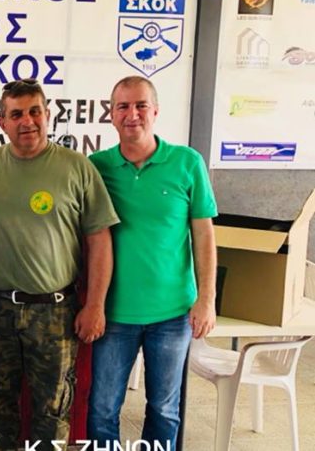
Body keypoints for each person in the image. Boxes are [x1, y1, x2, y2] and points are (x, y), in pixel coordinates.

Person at [0, 78, 118, 450]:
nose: (27, 121)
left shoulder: (77, 167)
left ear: (48, 115)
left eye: (35, 111)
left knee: (53, 415)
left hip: (54, 312)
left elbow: (99, 238)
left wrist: (95, 305)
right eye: (16, 114)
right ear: (2, 122)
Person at [87, 76, 217, 450]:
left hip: (172, 314)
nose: (133, 114)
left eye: (141, 105)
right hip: (114, 313)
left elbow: (204, 235)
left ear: (155, 111)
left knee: (164, 409)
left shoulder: (187, 162)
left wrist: (206, 299)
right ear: (111, 115)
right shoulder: (96, 167)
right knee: (102, 409)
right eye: (123, 106)